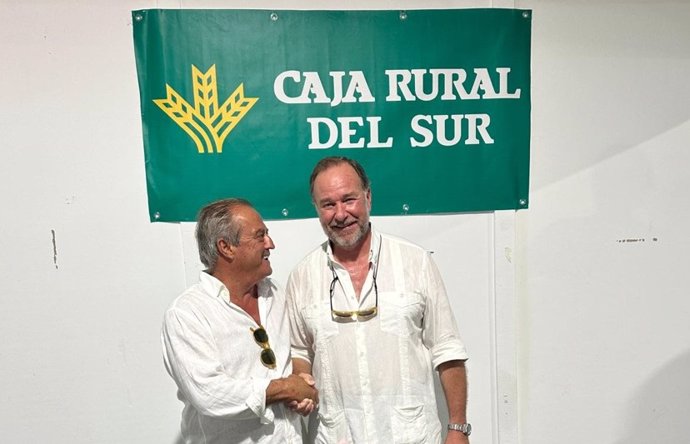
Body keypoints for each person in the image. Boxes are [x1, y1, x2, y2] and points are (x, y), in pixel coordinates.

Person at [287, 157, 471, 443]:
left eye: (349, 199)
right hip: (337, 436)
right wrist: (302, 381)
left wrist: (458, 428)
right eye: (328, 204)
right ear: (317, 209)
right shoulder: (302, 276)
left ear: (368, 197)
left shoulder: (415, 261)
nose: (340, 214)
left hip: (411, 436)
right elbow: (299, 350)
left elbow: (447, 349)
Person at [162, 198, 318, 444]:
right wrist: (286, 388)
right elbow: (210, 394)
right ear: (226, 247)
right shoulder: (187, 314)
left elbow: (296, 355)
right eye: (260, 236)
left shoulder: (274, 294)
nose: (271, 244)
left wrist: (302, 388)